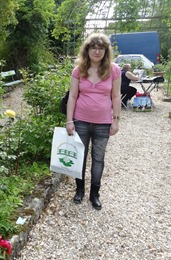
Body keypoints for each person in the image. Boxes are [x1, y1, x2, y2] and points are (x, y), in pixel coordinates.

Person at [66, 33, 121, 210]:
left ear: (106, 51)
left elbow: (116, 96)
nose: (97, 51)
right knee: (80, 157)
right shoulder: (79, 70)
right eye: (93, 47)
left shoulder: (113, 70)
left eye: (101, 48)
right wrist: (69, 121)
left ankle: (94, 194)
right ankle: (80, 190)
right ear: (87, 49)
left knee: (98, 159)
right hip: (80, 121)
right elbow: (72, 96)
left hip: (103, 123)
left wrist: (116, 121)